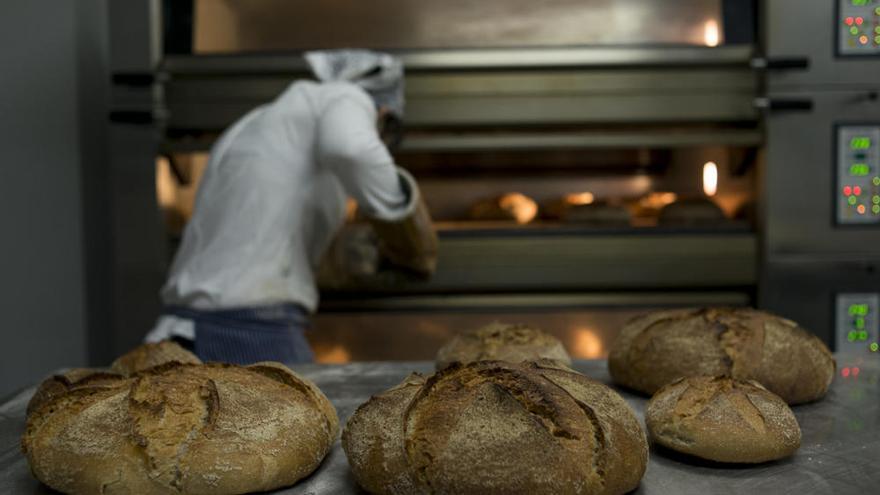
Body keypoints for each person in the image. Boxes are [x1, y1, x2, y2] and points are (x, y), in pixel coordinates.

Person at [144, 50, 437, 364]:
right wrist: (411, 235)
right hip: (247, 329)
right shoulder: (343, 96)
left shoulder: (259, 123)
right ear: (382, 110)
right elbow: (351, 150)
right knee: (313, 413)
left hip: (187, 327)